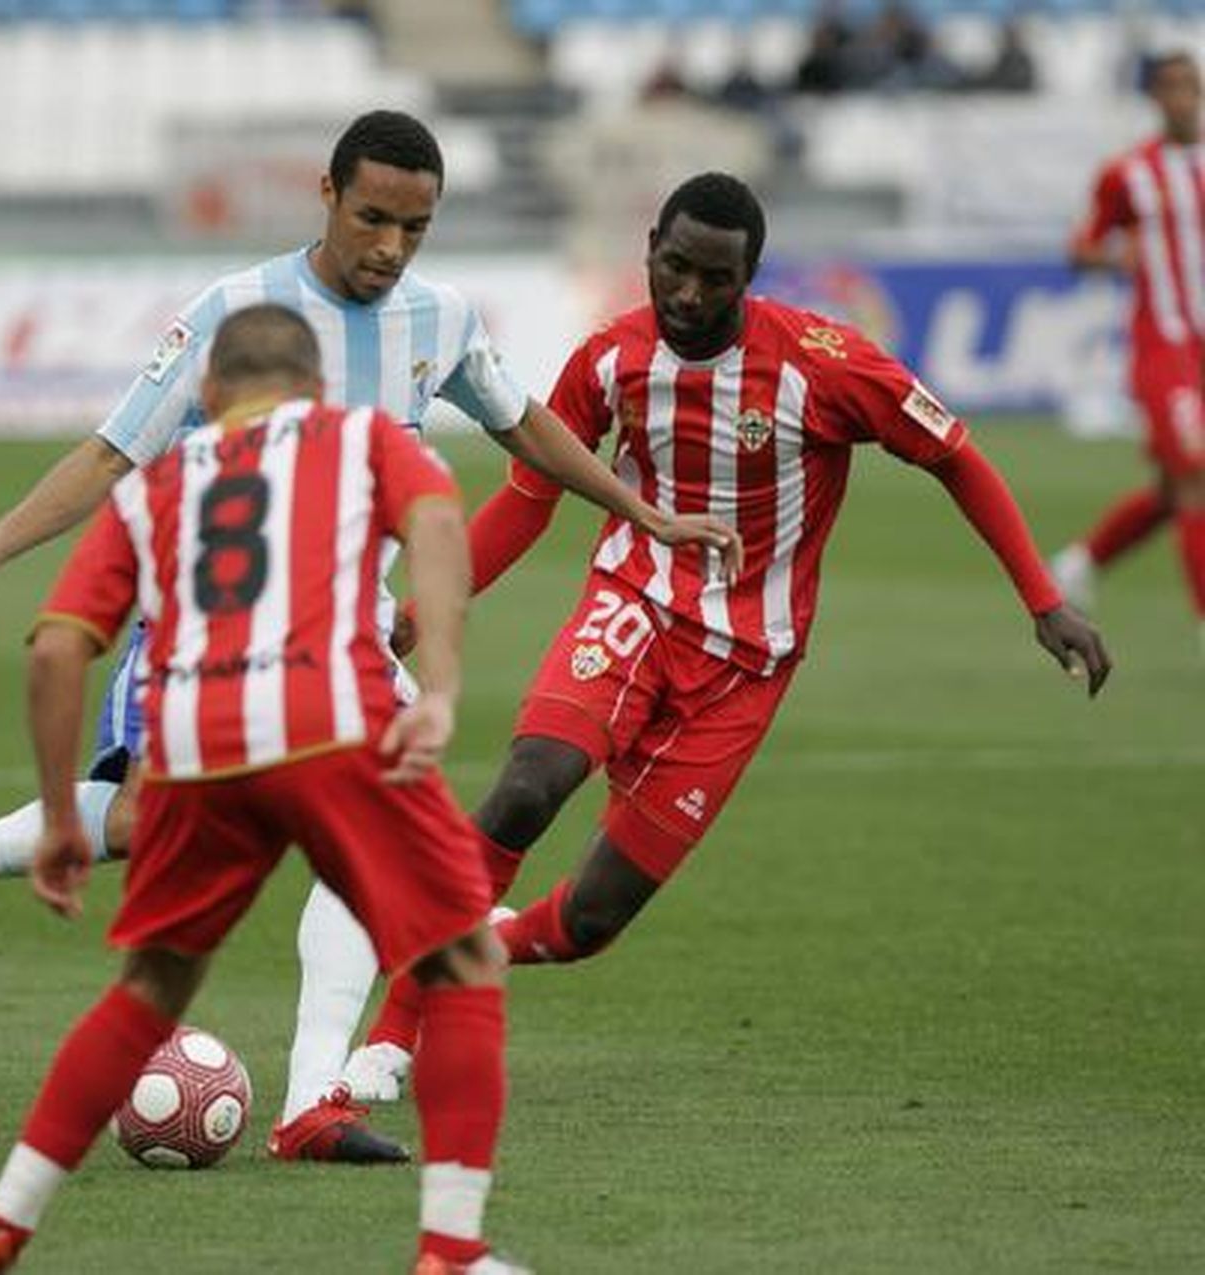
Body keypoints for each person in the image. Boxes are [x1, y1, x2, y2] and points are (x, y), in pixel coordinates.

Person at [0, 111, 737, 1161]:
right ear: (325, 196)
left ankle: (311, 1102)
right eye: (372, 218)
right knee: (145, 828)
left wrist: (638, 511)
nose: (388, 248)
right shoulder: (235, 312)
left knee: (360, 834)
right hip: (207, 624)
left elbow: (525, 425)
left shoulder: (441, 317)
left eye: (414, 228)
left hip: (342, 640)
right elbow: (114, 452)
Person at [341, 171, 1112, 1099]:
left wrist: (1041, 597)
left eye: (717, 279)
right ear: (651, 248)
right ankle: (393, 1034)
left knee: (591, 919)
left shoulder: (827, 364)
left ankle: (480, 946)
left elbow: (956, 457)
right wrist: (416, 613)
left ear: (750, 275)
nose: (691, 296)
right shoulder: (606, 361)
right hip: (633, 605)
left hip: (747, 665)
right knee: (526, 787)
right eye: (675, 268)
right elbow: (526, 500)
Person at [0, 305, 524, 1275]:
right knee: (459, 965)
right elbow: (439, 523)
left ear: (206, 399)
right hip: (335, 730)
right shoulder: (360, 436)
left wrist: (59, 821)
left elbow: (56, 652)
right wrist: (442, 688)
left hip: (194, 752)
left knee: (148, 993)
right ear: (316, 392)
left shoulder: (152, 492)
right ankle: (451, 1251)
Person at [1051, 50, 1205, 654]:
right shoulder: (1129, 174)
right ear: (1153, 98)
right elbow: (1080, 248)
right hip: (1165, 346)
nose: (1178, 97)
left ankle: (1081, 562)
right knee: (1195, 476)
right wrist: (1117, 257)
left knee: (1174, 488)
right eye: (1166, 87)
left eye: (1187, 85)